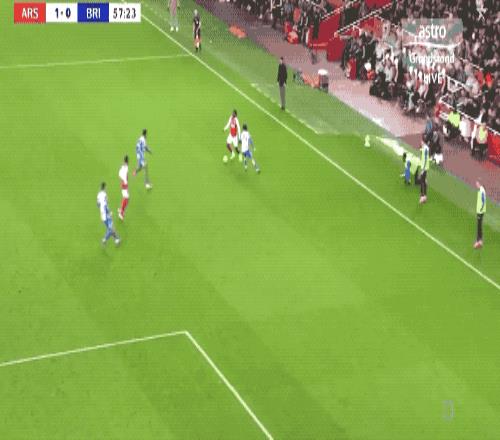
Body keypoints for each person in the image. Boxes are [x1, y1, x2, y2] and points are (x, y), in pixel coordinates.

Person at [474, 180, 486, 249]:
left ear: (479, 184)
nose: (476, 185)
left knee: (479, 226)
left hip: (480, 212)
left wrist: (481, 209)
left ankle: (478, 241)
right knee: (479, 225)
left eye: (477, 183)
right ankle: (480, 240)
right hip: (480, 211)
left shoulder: (481, 191)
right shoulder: (481, 190)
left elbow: (483, 200)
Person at [118, 155, 129, 221]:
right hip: (124, 184)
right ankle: (121, 213)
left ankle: (121, 210)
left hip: (124, 184)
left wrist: (123, 180)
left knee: (125, 198)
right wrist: (124, 181)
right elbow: (121, 175)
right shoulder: (125, 168)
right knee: (126, 198)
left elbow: (119, 174)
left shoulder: (124, 167)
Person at [419, 139, 430, 204]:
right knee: (424, 181)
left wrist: (423, 170)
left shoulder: (425, 148)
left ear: (424, 142)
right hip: (424, 167)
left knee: (422, 182)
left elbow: (425, 159)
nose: (421, 142)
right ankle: (424, 196)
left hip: (424, 167)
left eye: (422, 141)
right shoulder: (424, 148)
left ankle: (423, 196)